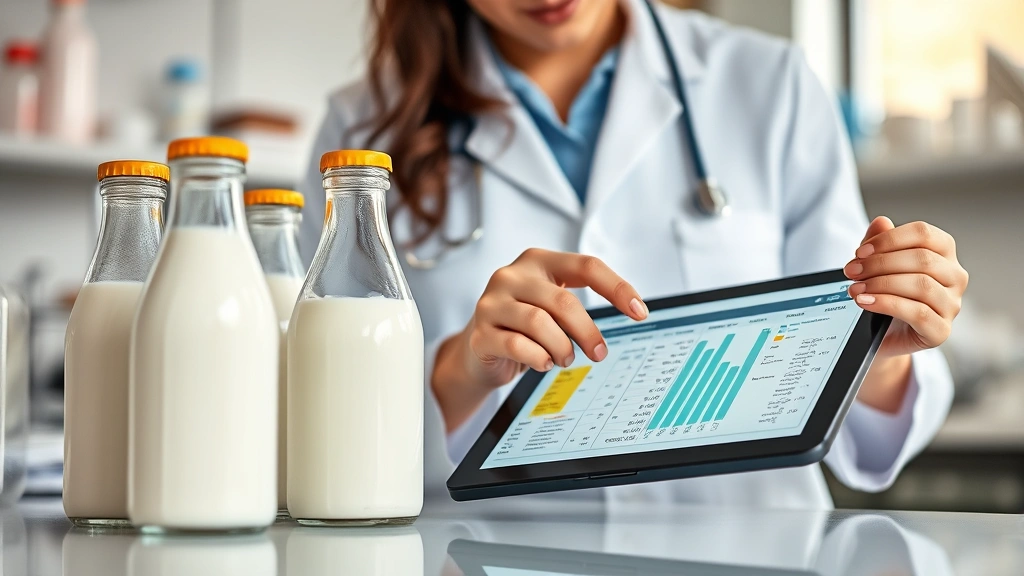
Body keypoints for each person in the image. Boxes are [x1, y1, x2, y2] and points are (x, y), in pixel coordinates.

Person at [300, 0, 968, 508]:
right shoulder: (361, 131)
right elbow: (314, 419)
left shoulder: (770, 84)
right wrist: (463, 369)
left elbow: (866, 425)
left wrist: (872, 354)